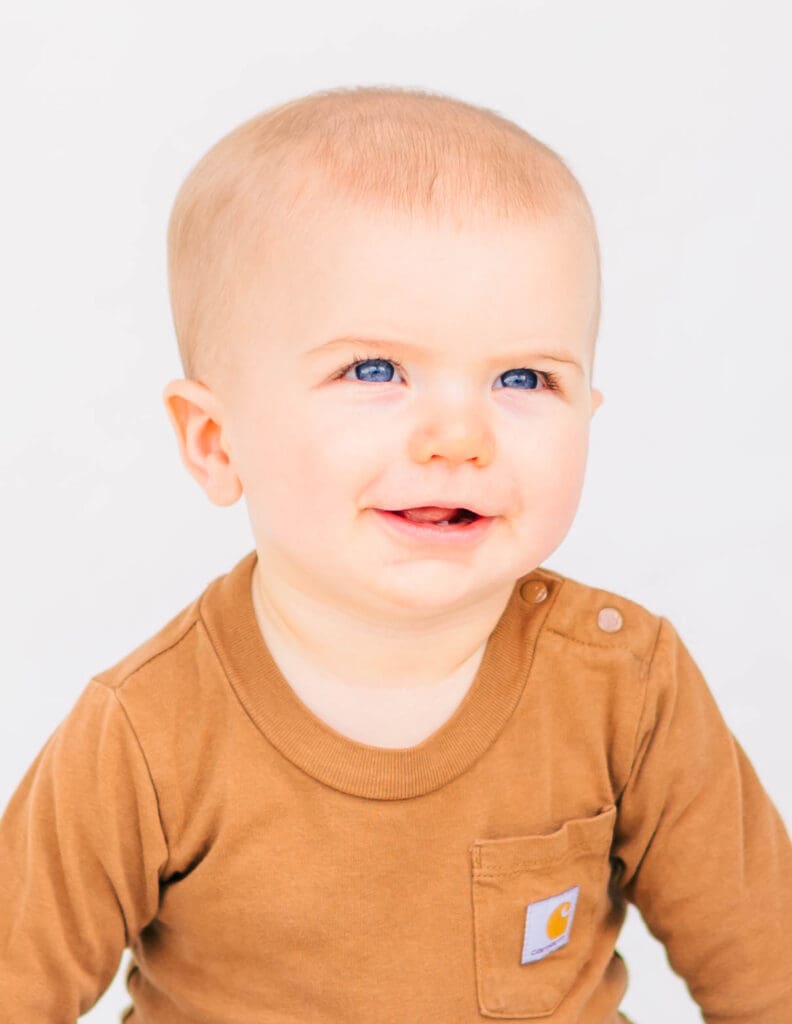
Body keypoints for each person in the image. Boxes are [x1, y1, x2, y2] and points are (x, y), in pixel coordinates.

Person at [1, 85, 790, 1024]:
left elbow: (767, 977)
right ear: (216, 442)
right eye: (374, 371)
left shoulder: (627, 682)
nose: (458, 436)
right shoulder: (145, 732)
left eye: (523, 377)